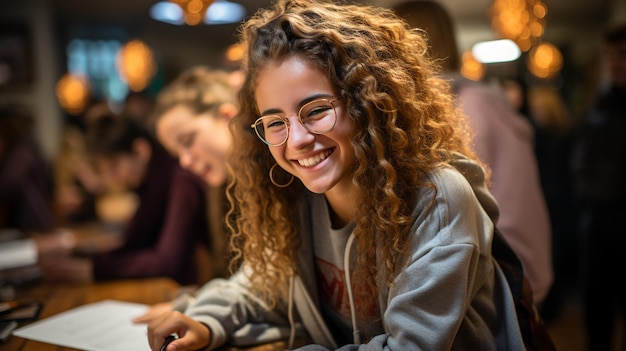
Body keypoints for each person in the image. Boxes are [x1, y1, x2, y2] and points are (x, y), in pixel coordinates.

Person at [145, 1, 526, 350]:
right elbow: (262, 282)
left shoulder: (438, 198)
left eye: (315, 111)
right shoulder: (297, 195)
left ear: (369, 103)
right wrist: (206, 322)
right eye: (275, 122)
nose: (296, 141)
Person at [392, 0, 553, 306]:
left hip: (499, 281)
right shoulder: (459, 102)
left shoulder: (469, 106)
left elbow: (484, 207)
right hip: (486, 274)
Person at [38, 112, 211, 285]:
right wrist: (82, 256)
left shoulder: (180, 178)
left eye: (114, 166)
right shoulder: (152, 182)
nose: (113, 178)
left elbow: (166, 261)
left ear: (140, 150)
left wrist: (95, 269)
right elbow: (135, 244)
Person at [132, 66, 239, 322]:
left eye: (188, 140)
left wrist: (195, 303)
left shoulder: (277, 178)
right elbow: (237, 280)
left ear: (227, 116)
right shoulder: (221, 188)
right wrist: (194, 302)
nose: (185, 162)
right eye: (177, 154)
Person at [570, 22, 626, 351]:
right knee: (597, 310)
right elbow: (581, 164)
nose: (615, 63)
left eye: (622, 55)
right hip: (598, 221)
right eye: (609, 56)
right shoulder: (599, 104)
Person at [0, 103, 55, 233]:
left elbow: (8, 184)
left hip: (32, 225)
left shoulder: (23, 151)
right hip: (34, 223)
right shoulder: (28, 148)